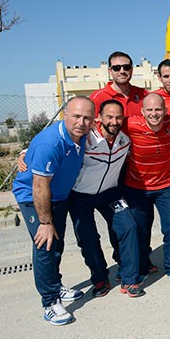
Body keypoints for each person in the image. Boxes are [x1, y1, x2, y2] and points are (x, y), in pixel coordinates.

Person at [13, 97, 94, 325]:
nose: (81, 122)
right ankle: (50, 302)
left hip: (59, 196)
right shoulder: (51, 143)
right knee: (46, 245)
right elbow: (39, 186)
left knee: (57, 244)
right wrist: (45, 223)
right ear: (65, 115)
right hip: (33, 197)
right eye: (76, 116)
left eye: (87, 117)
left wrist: (25, 150)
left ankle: (56, 285)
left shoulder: (82, 134)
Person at [66, 100, 143, 298]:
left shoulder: (124, 140)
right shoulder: (85, 137)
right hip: (80, 195)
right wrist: (25, 153)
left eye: (118, 117)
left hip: (111, 193)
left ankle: (130, 279)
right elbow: (55, 144)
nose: (114, 121)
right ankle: (100, 277)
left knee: (129, 227)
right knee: (88, 238)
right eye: (109, 117)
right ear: (99, 117)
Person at [122, 93, 170, 283]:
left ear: (165, 111)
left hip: (166, 186)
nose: (154, 114)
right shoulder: (130, 124)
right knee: (140, 230)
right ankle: (142, 266)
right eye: (149, 110)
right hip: (137, 187)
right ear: (142, 112)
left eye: (158, 109)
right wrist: (25, 152)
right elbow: (102, 126)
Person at [90, 51, 149, 117]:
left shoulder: (144, 94)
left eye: (126, 67)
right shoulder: (97, 98)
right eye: (116, 68)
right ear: (110, 71)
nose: (122, 71)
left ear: (131, 70)